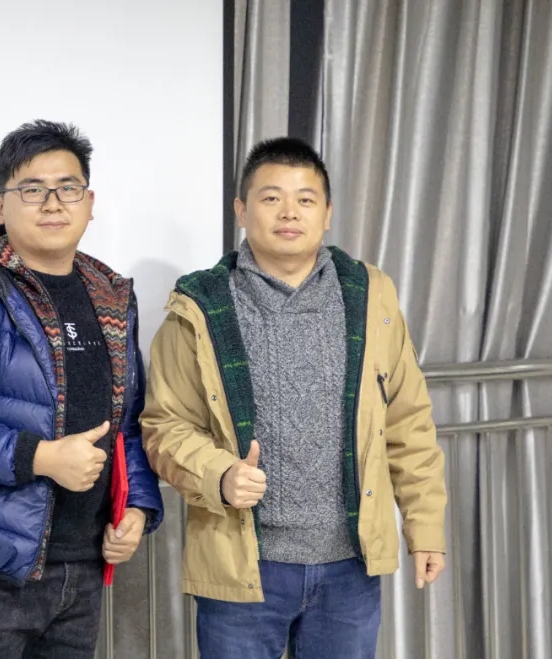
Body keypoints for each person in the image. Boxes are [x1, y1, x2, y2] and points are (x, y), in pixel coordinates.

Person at [141, 137, 447, 658]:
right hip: (242, 566)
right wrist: (220, 474)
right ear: (241, 210)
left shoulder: (371, 296)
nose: (289, 212)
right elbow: (164, 425)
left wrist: (426, 527)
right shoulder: (199, 307)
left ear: (327, 214)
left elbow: (407, 420)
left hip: (349, 567)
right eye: (271, 198)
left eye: (305, 199)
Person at [0, 120, 163, 658]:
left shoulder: (112, 299)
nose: (53, 203)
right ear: (0, 207)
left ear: (89, 203)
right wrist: (41, 457)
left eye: (68, 187)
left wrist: (137, 508)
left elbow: (127, 423)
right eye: (32, 189)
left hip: (83, 570)